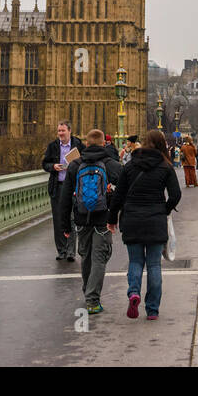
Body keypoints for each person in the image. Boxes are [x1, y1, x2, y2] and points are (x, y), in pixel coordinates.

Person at [108, 129, 181, 321]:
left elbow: (118, 195)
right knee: (154, 264)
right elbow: (176, 195)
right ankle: (153, 309)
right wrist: (163, 210)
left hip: (132, 219)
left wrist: (111, 219)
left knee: (135, 261)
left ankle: (133, 293)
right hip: (155, 219)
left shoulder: (130, 166)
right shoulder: (165, 167)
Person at [57, 128, 123, 314]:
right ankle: (92, 300)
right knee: (99, 258)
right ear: (104, 143)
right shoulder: (113, 165)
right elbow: (123, 194)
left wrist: (65, 224)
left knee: (86, 257)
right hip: (104, 218)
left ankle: (88, 291)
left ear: (86, 144)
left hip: (81, 217)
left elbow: (65, 197)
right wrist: (117, 216)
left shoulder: (75, 165)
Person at [42, 121, 85, 261]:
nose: (60, 133)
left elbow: (85, 162)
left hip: (73, 187)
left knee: (72, 218)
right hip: (58, 186)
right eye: (59, 131)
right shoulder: (52, 146)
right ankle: (61, 250)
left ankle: (71, 251)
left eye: (63, 130)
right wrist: (53, 166)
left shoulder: (78, 145)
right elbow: (44, 164)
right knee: (58, 219)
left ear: (69, 131)